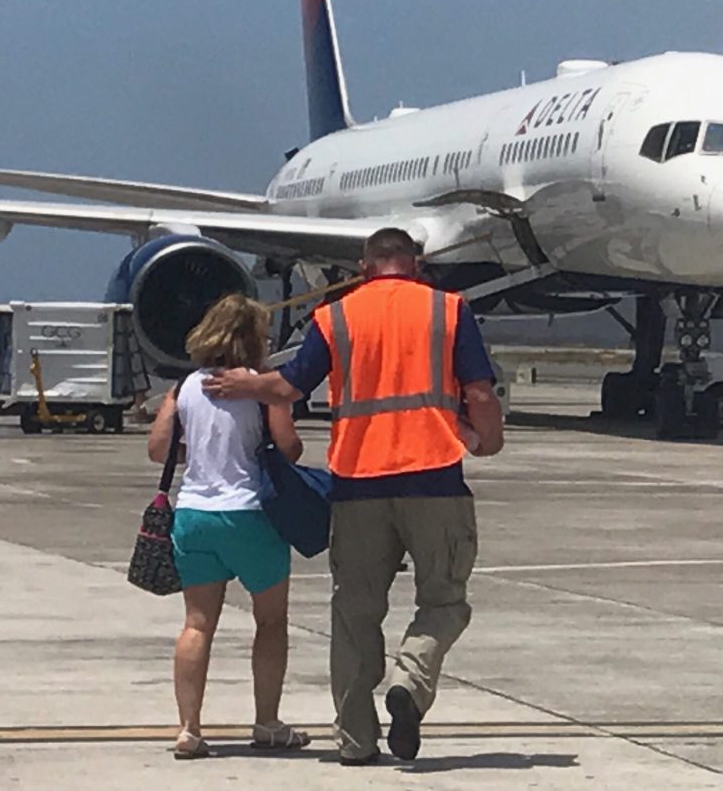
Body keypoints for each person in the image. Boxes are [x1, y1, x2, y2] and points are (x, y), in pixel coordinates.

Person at [204, 228, 504, 766]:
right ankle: (409, 685)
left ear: (365, 266)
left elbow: (290, 386)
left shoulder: (335, 316)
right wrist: (489, 437)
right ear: (415, 263)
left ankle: (356, 741)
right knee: (444, 600)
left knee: (354, 616)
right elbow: (478, 391)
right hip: (434, 478)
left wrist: (242, 385)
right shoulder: (449, 310)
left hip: (358, 485)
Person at [146, 294, 309, 760]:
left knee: (197, 624)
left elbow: (158, 448)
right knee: (271, 620)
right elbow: (290, 447)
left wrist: (198, 454)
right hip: (251, 513)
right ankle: (267, 722)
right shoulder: (259, 386)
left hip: (195, 515)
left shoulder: (185, 387)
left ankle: (189, 729)